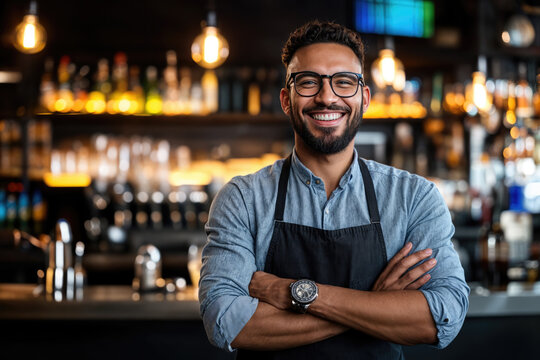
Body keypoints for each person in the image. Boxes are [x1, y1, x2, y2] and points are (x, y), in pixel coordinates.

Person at [199, 20, 469, 359]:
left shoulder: (413, 197)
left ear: (365, 98)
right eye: (309, 82)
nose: (327, 97)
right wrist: (375, 303)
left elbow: (443, 316)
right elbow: (226, 322)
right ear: (286, 99)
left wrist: (295, 293)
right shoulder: (243, 199)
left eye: (344, 82)